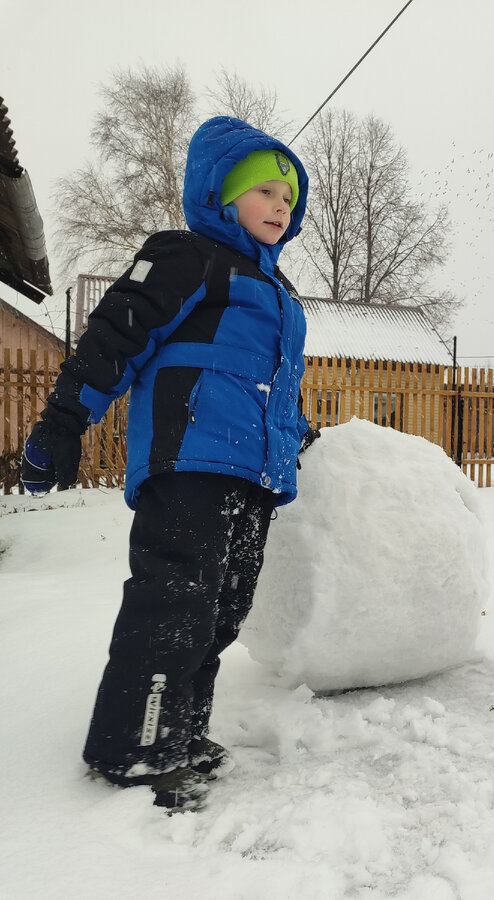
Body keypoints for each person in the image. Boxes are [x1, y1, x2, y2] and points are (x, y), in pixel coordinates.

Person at [20, 116, 318, 811]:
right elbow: (114, 338)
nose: (281, 205)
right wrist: (65, 421)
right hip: (190, 462)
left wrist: (296, 435)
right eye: (265, 190)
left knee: (221, 611)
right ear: (220, 196)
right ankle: (133, 747)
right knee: (174, 603)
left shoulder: (280, 294)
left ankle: (179, 732)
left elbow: (269, 381)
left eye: (289, 196)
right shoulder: (189, 258)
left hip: (253, 476)